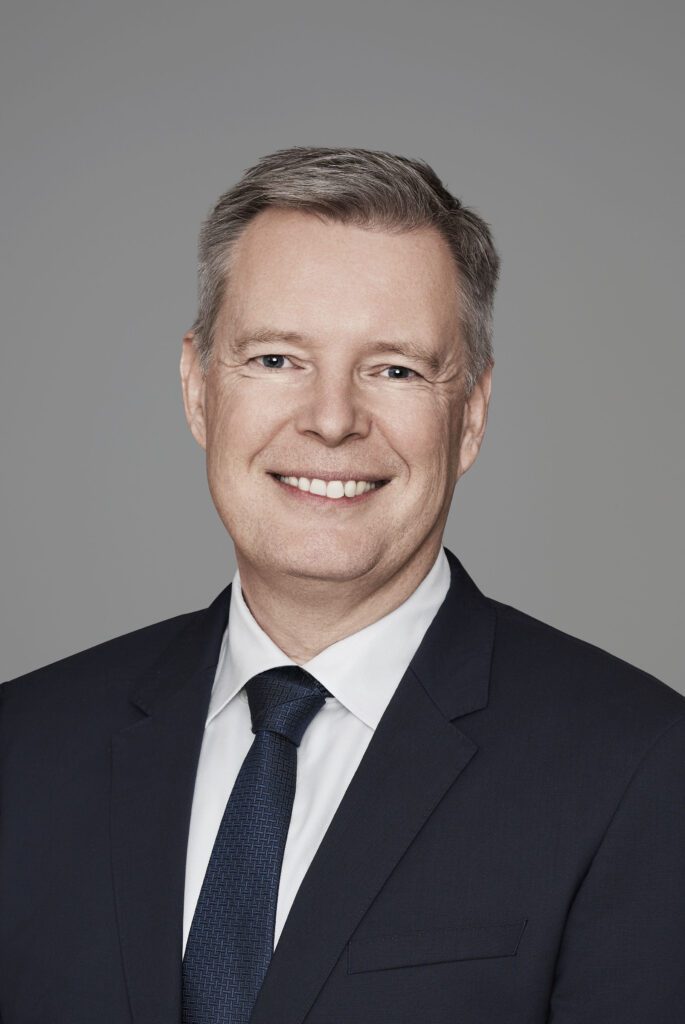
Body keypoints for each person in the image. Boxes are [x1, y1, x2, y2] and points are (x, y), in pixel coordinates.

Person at [1, 146, 683, 1024]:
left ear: (469, 415)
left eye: (394, 369)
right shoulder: (23, 748)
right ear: (198, 388)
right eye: (276, 359)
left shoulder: (639, 768)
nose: (330, 421)